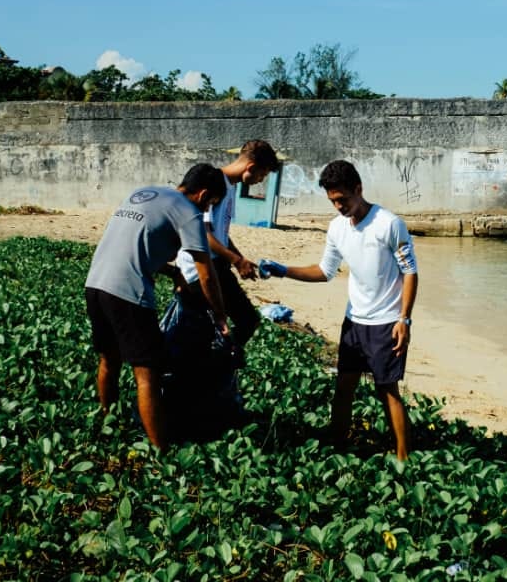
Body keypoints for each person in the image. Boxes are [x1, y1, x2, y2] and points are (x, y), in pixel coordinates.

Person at [258, 160, 418, 460]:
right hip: (354, 321)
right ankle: (338, 449)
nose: (338, 206)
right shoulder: (336, 228)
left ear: (358, 189)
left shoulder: (389, 223)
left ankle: (403, 458)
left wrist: (404, 319)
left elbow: (410, 272)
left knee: (387, 391)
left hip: (386, 322)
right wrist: (283, 270)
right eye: (332, 201)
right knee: (343, 388)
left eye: (342, 199)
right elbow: (324, 271)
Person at [85, 163, 230, 451]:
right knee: (147, 373)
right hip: (128, 294)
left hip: (95, 284)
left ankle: (106, 423)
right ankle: (161, 451)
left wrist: (173, 272)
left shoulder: (146, 193)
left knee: (109, 360)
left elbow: (135, 245)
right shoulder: (189, 213)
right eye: (210, 205)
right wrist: (220, 315)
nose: (207, 212)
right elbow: (205, 273)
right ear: (203, 195)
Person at [175, 140, 281, 364]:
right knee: (247, 320)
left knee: (206, 329)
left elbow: (219, 232)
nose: (261, 181)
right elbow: (201, 234)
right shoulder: (214, 183)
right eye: (262, 175)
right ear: (250, 168)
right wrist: (234, 259)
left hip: (215, 264)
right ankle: (219, 366)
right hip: (201, 267)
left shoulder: (229, 187)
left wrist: (239, 259)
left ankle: (213, 364)